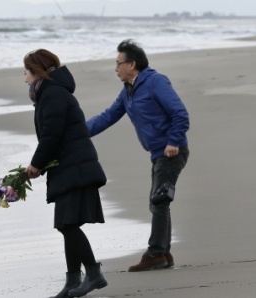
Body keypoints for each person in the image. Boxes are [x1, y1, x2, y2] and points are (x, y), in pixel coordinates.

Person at [86, 39, 190, 272]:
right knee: (159, 201)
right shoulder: (128, 91)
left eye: (118, 63)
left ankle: (155, 253)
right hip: (158, 153)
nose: (115, 68)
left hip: (171, 151)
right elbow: (108, 116)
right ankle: (163, 252)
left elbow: (180, 113)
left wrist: (173, 141)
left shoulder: (155, 82)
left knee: (159, 200)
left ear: (132, 64)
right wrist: (77, 133)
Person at [23, 49, 108, 297]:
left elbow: (52, 134)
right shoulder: (51, 93)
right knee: (66, 224)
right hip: (70, 167)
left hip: (75, 167)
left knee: (67, 224)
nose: (24, 78)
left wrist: (36, 164)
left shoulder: (53, 94)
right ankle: (73, 281)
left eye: (26, 72)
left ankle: (93, 273)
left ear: (37, 71)